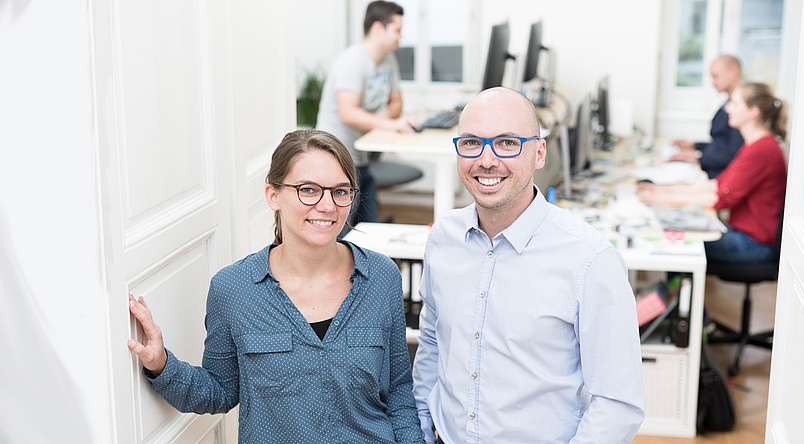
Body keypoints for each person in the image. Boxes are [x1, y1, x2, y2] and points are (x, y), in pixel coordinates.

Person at [127, 129, 424, 443]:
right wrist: (161, 365)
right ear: (273, 195)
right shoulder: (234, 289)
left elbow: (399, 393)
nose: (327, 206)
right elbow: (219, 392)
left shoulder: (382, 276)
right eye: (308, 190)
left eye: (340, 191)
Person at [411, 87, 645, 443]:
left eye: (507, 143)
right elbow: (432, 338)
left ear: (539, 153)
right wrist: (422, 423)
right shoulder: (443, 238)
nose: (486, 160)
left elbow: (618, 404)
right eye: (472, 143)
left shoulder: (589, 259)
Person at [638, 82, 788, 263]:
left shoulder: (762, 149)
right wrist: (661, 191)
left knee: (674, 239)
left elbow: (719, 198)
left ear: (753, 112)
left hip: (754, 245)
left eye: (734, 103)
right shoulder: (755, 144)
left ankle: (668, 291)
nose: (728, 109)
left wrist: (660, 199)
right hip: (743, 234)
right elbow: (717, 185)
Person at [316, 0, 418, 227]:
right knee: (341, 227)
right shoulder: (352, 61)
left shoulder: (388, 61)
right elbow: (348, 113)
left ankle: (372, 260)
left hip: (362, 159)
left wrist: (378, 120)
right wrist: (390, 123)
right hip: (338, 156)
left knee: (370, 227)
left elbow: (397, 103)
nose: (401, 37)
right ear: (378, 29)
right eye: (397, 30)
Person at [670, 55, 745, 179]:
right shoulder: (728, 102)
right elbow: (721, 143)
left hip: (722, 176)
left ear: (732, 72)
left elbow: (733, 154)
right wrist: (695, 145)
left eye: (716, 76)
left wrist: (698, 157)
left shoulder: (741, 110)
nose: (712, 82)